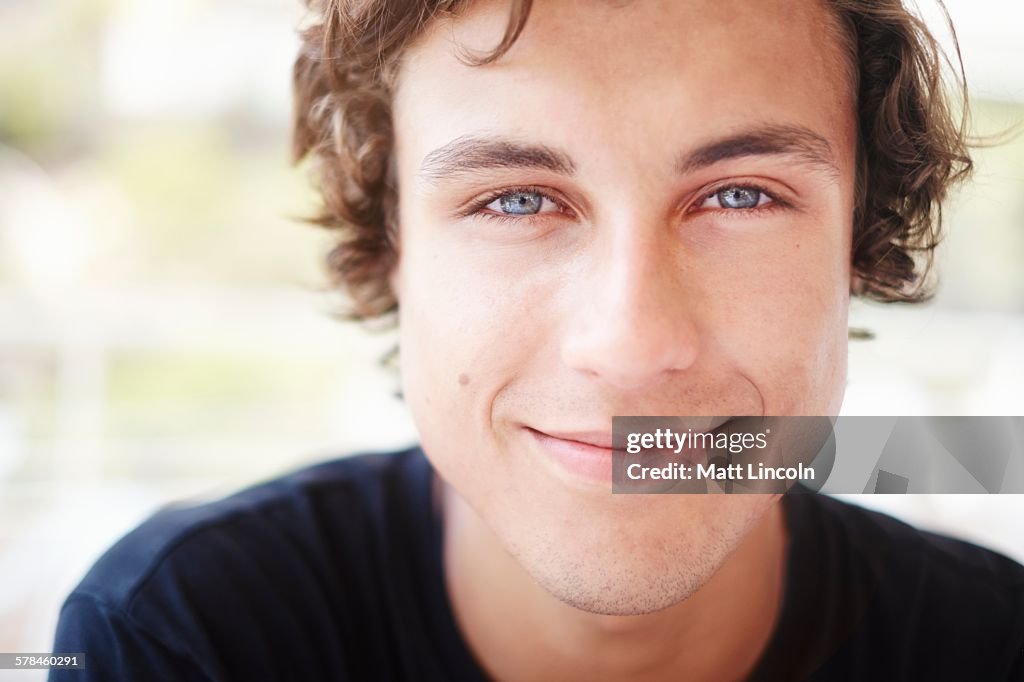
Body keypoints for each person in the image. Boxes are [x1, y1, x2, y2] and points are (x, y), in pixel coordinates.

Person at [51, 0, 1024, 680]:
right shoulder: (181, 635)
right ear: (392, 247)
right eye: (515, 199)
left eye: (740, 195)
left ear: (855, 243)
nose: (632, 343)